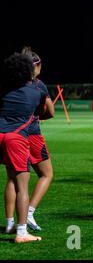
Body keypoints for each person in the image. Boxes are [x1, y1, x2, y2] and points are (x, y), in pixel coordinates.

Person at [4, 47, 55, 233]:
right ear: (37, 65)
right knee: (46, 174)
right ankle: (29, 213)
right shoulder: (38, 85)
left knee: (11, 179)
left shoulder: (10, 82)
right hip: (29, 134)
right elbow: (50, 112)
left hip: (9, 133)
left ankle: (10, 222)